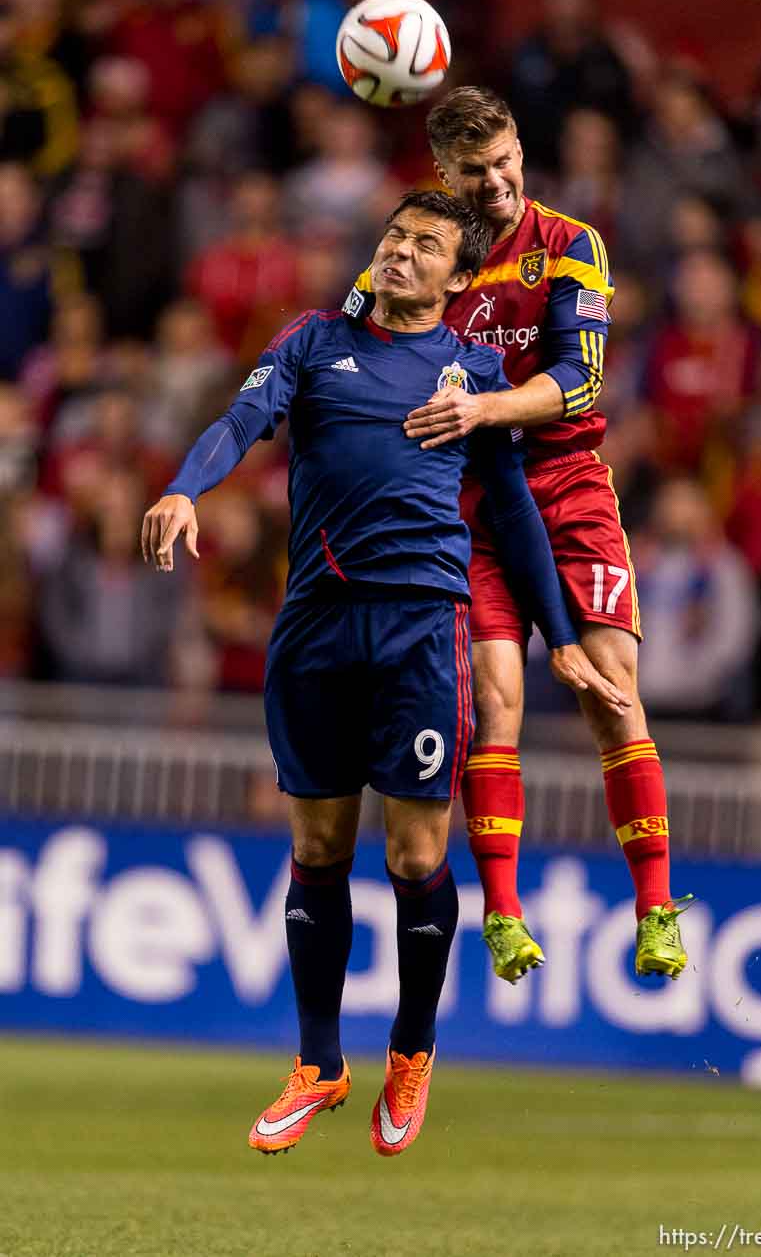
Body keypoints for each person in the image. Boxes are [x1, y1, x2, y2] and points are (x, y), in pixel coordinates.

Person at [142, 190, 627, 1158]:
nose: (400, 252)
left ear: (457, 277)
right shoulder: (314, 341)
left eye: (425, 245)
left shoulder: (475, 374)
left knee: (413, 856)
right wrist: (184, 486)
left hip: (418, 628)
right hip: (317, 622)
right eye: (394, 236)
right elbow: (238, 420)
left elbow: (518, 514)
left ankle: (412, 1046)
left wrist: (561, 632)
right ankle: (320, 1060)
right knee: (317, 844)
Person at [391, 87, 694, 982]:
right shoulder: (428, 260)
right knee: (496, 700)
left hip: (567, 490)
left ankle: (654, 908)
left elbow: (583, 377)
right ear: (443, 171)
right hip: (470, 510)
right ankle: (505, 913)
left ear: (520, 147)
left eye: (505, 161)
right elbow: (366, 340)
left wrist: (483, 406)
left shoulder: (570, 244)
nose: (496, 183)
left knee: (611, 690)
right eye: (475, 171)